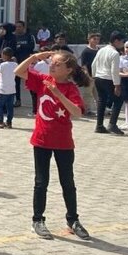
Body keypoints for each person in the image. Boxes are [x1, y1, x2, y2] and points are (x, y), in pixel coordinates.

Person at [14, 50, 91, 241]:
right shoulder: (42, 79)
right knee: (41, 182)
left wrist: (57, 93)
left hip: (63, 141)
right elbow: (18, 71)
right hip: (42, 139)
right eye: (52, 62)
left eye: (57, 64)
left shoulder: (71, 89)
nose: (52, 65)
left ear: (68, 70)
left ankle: (72, 219)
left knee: (68, 182)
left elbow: (77, 113)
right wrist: (35, 57)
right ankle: (38, 219)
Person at [91, 32, 126, 134]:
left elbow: (94, 64)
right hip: (108, 79)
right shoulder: (115, 53)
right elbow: (114, 71)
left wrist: (94, 76)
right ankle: (112, 124)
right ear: (116, 41)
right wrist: (117, 85)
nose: (123, 44)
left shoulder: (101, 50)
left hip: (98, 77)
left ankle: (99, 125)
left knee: (101, 101)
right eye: (122, 41)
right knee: (118, 100)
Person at [11, 21, 36, 107]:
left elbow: (32, 47)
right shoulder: (13, 37)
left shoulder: (29, 36)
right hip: (16, 63)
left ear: (23, 27)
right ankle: (18, 100)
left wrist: (22, 47)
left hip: (27, 62)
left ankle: (34, 101)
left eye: (20, 27)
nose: (18, 28)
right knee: (16, 82)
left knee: (30, 82)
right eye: (16, 27)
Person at [0, 47, 17, 128]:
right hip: (12, 89)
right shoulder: (15, 64)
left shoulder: (3, 65)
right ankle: (9, 122)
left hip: (3, 89)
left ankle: (0, 122)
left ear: (5, 55)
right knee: (10, 107)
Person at [79, 33, 101, 116]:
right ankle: (86, 110)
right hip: (89, 75)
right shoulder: (86, 51)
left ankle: (100, 109)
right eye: (94, 39)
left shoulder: (99, 50)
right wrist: (88, 76)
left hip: (98, 75)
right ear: (89, 39)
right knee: (87, 94)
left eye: (97, 39)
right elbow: (84, 65)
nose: (96, 41)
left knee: (98, 94)